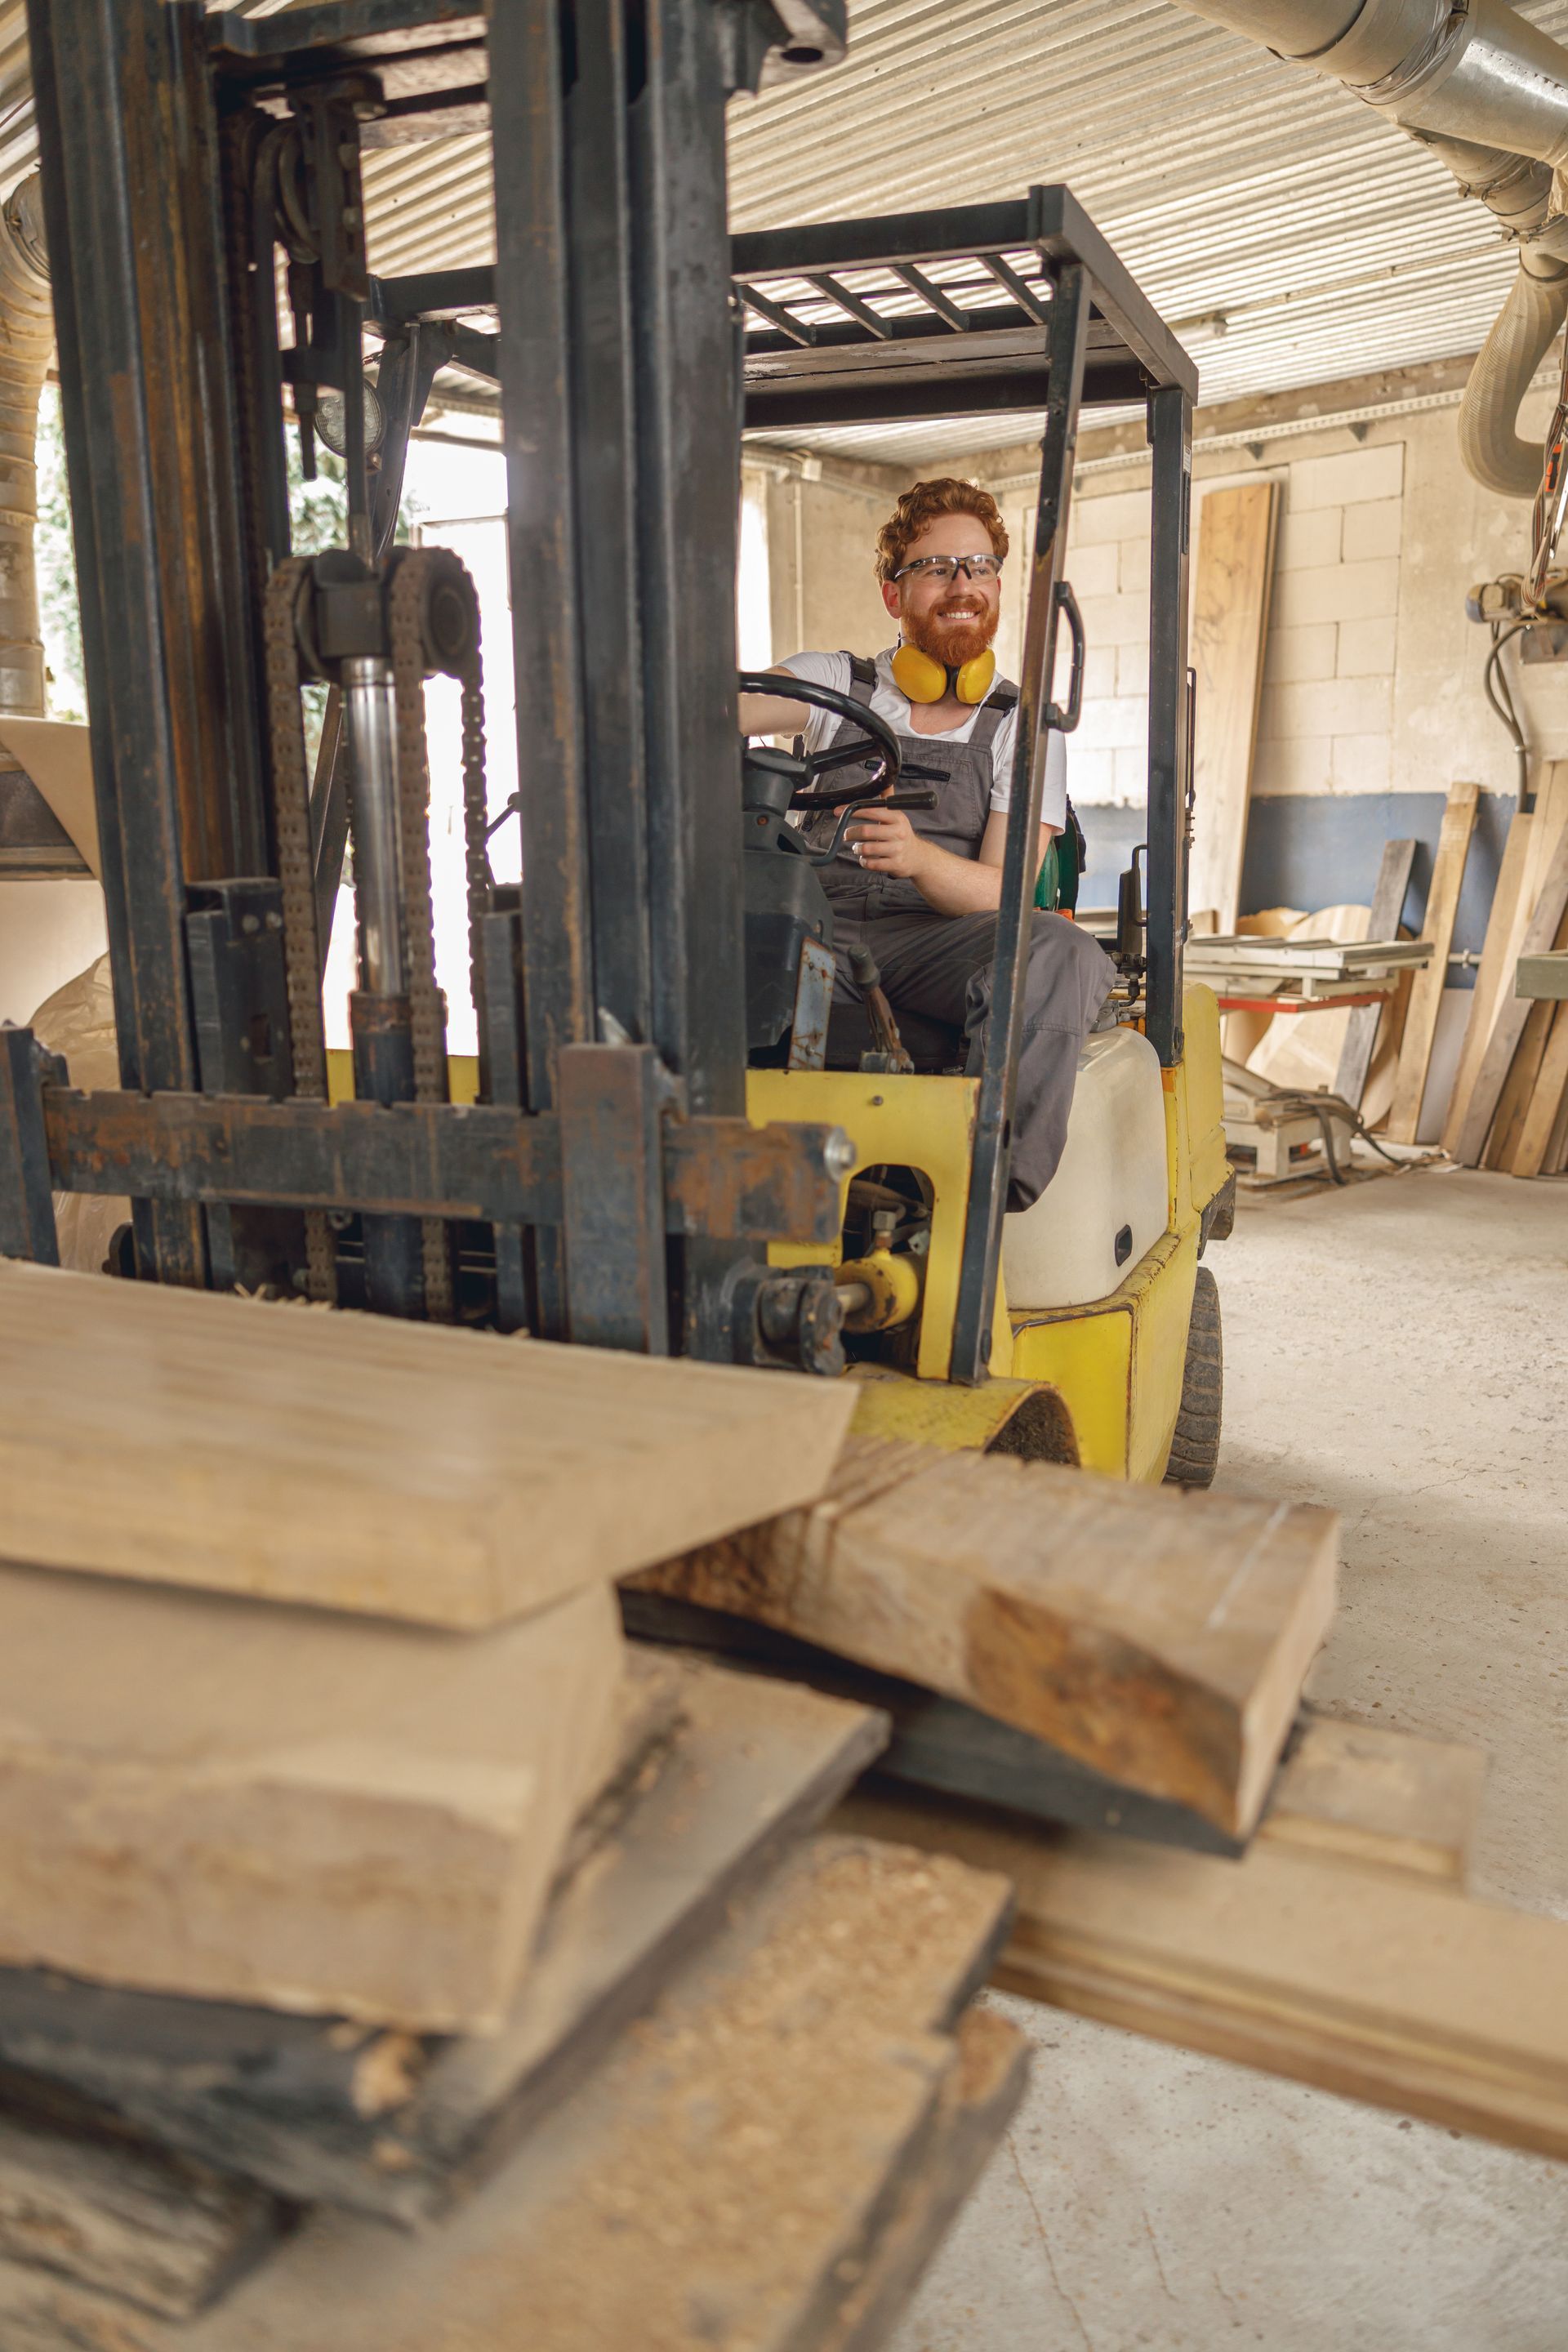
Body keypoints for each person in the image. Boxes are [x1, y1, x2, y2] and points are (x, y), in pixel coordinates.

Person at [736, 476, 1114, 1211]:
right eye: (936, 568)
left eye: (977, 567)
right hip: (814, 924)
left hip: (939, 942)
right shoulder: (834, 684)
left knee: (1059, 951)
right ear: (893, 594)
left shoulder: (1019, 725)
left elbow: (1006, 891)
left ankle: (979, 1193)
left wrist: (917, 858)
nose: (961, 585)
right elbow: (719, 708)